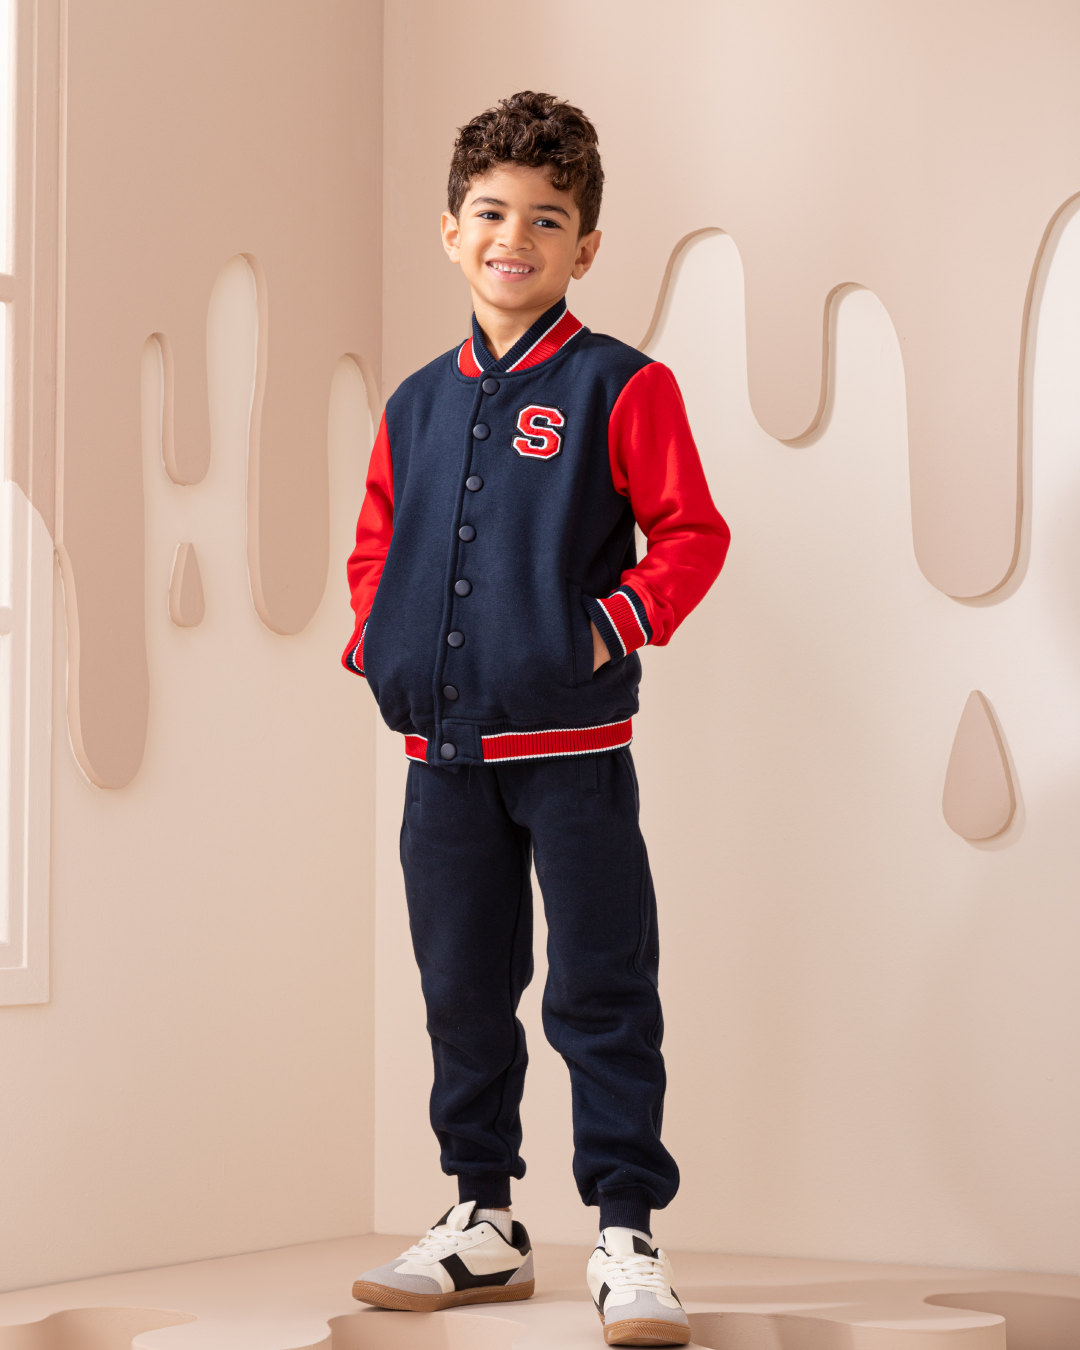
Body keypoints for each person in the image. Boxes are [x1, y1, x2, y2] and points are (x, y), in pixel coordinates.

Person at [343, 91, 730, 1348]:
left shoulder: (624, 385)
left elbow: (691, 533)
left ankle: (626, 1234)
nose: (516, 237)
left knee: (602, 989)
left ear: (585, 248)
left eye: (548, 219)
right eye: (492, 212)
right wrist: (377, 642)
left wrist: (605, 628)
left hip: (574, 758)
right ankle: (484, 1221)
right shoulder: (414, 403)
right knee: (462, 991)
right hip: (440, 761)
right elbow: (376, 544)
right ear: (451, 231)